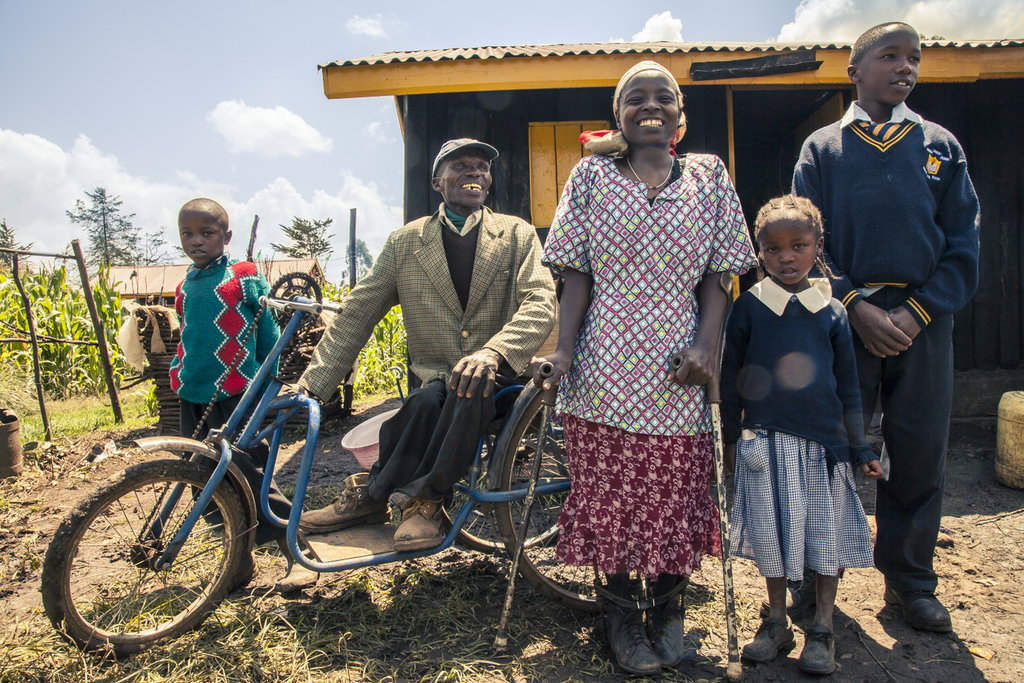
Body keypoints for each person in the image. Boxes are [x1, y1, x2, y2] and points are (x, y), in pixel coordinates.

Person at [532, 61, 756, 675]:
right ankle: (621, 617)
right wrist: (563, 350)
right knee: (611, 497)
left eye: (664, 97)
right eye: (636, 97)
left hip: (679, 368)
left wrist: (707, 347)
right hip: (604, 366)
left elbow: (719, 275)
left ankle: (667, 607)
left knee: (674, 495)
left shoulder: (709, 176)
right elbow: (576, 275)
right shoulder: (590, 176)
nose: (650, 106)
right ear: (618, 114)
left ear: (681, 115)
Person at [793, 22, 980, 633]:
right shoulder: (823, 148)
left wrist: (916, 311)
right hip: (844, 321)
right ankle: (813, 579)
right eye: (890, 56)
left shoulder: (940, 146)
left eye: (914, 59)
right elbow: (805, 242)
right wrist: (853, 304)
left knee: (920, 452)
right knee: (829, 450)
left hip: (923, 324)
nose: (906, 67)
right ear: (854, 70)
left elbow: (962, 246)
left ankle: (910, 582)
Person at [297, 138, 556, 552]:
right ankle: (374, 498)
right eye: (461, 165)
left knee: (471, 385)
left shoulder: (516, 234)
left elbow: (540, 301)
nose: (474, 172)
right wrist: (313, 386)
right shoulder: (405, 242)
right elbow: (359, 312)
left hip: (503, 379)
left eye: (482, 166)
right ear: (438, 181)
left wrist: (493, 352)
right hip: (438, 380)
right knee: (422, 401)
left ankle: (426, 500)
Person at [721, 195, 884, 675]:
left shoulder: (832, 311)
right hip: (764, 444)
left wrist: (859, 446)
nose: (786, 257)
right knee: (770, 535)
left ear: (818, 246)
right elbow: (730, 381)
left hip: (824, 449)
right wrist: (728, 440)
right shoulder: (748, 307)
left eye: (799, 245)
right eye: (772, 249)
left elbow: (849, 386)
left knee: (824, 538)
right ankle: (776, 621)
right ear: (759, 252)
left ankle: (823, 627)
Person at [170, 197, 288, 585]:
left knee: (250, 471)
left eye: (207, 233)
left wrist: (268, 378)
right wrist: (177, 371)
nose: (196, 241)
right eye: (188, 234)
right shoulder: (185, 285)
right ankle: (238, 561)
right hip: (193, 394)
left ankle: (295, 549)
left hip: (238, 392)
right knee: (203, 477)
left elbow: (267, 330)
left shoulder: (243, 276)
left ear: (227, 236)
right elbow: (188, 337)